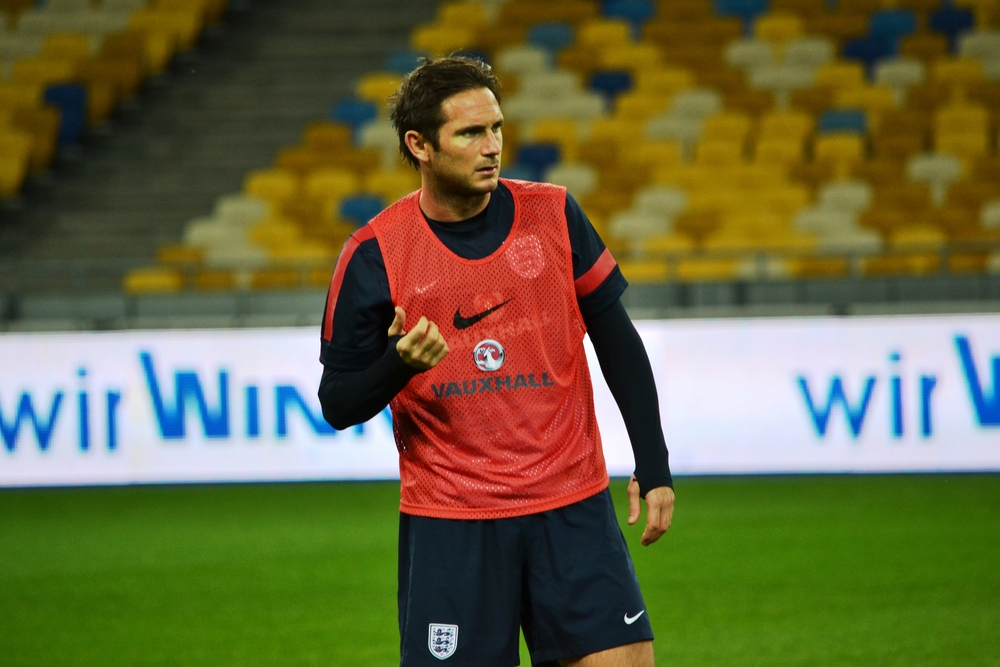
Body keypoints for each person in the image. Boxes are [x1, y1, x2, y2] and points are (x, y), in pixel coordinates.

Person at [318, 56, 674, 667]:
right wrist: (399, 364)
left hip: (571, 507)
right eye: (470, 133)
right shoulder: (375, 253)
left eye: (497, 129)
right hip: (454, 524)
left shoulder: (555, 214)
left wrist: (654, 461)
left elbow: (618, 342)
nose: (492, 147)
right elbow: (338, 403)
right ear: (419, 145)